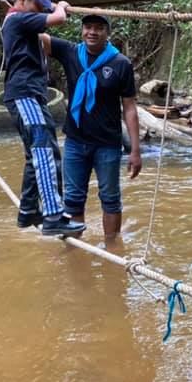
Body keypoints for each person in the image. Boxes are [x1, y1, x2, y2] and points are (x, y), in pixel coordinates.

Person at [44, 14, 141, 240]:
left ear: (108, 33)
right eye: (88, 27)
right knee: (73, 199)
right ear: (82, 30)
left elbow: (129, 108)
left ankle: (113, 247)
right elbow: (36, 34)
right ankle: (75, 249)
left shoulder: (120, 63)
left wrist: (135, 150)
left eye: (99, 28)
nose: (92, 32)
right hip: (75, 142)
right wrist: (17, 12)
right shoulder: (70, 52)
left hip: (108, 145)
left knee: (110, 199)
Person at [2, 0, 85, 237]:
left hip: (28, 94)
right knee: (45, 151)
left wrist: (52, 8)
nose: (43, 12)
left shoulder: (21, 22)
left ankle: (28, 211)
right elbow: (58, 19)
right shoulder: (18, 19)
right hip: (25, 93)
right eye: (40, 6)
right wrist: (61, 7)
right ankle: (53, 216)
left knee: (36, 153)